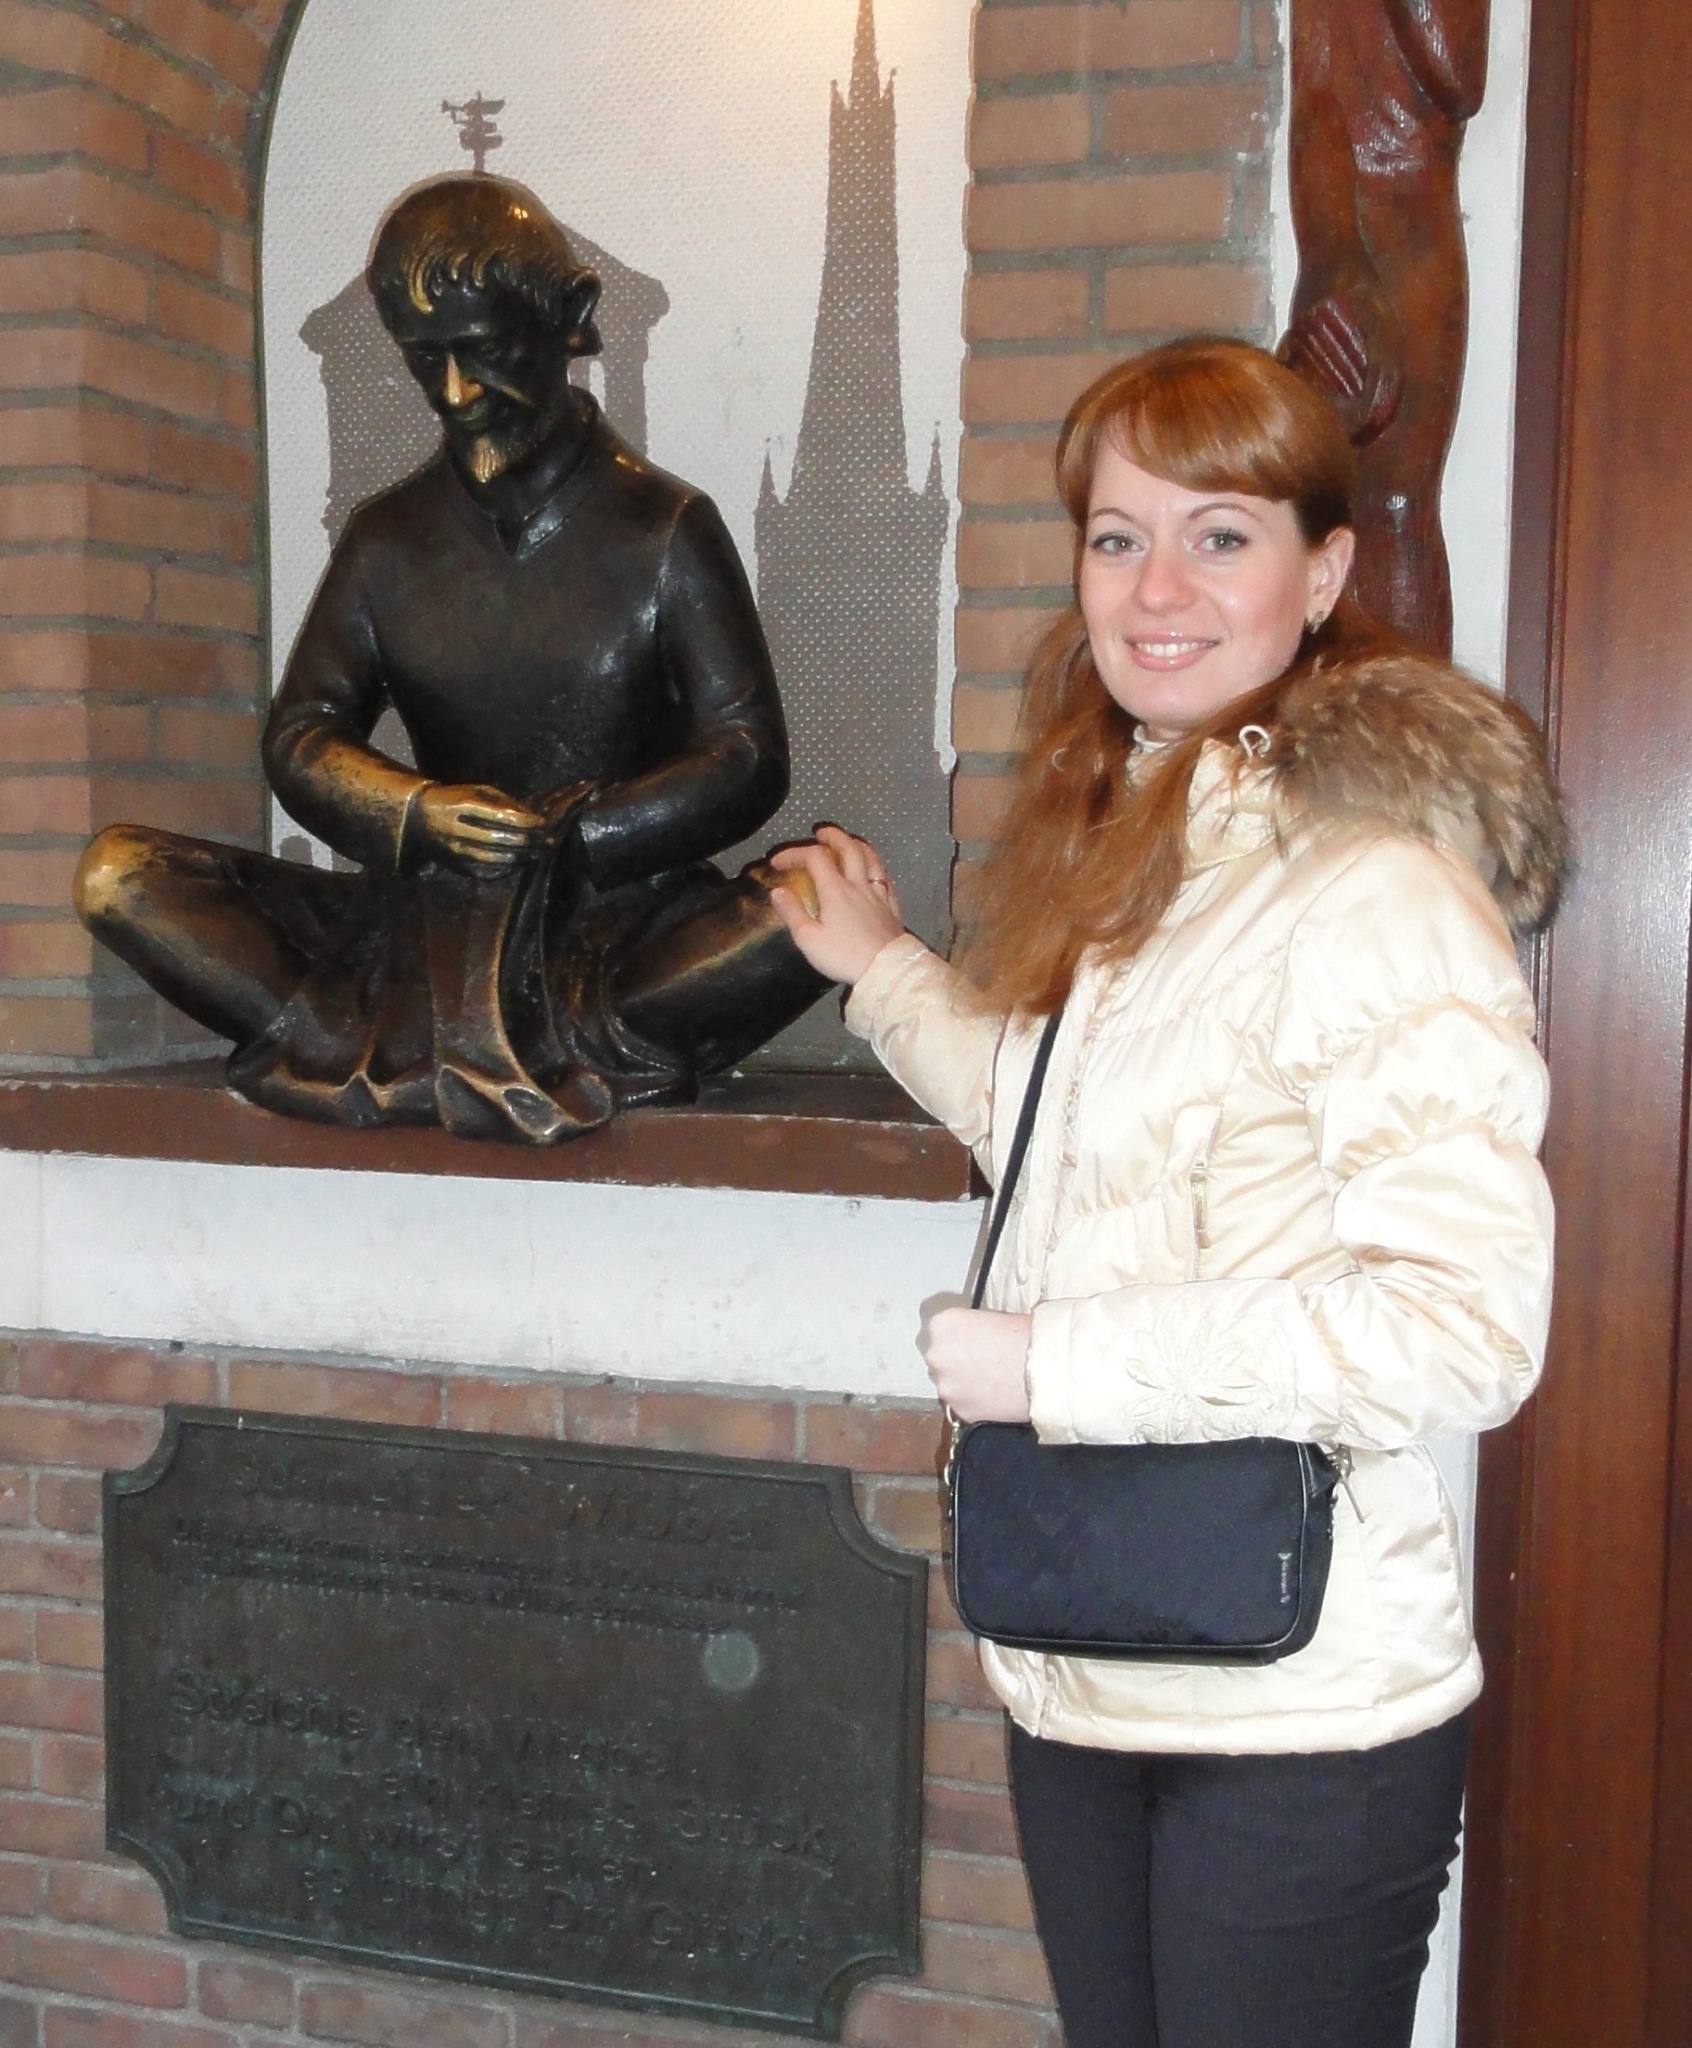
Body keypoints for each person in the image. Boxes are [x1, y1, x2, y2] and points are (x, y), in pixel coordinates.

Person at [770, 338, 1565, 2048]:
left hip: (1297, 1714)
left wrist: (1054, 1365)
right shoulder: (1153, 853)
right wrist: (880, 968)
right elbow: (1067, 1123)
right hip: (1095, 1667)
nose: (1157, 590)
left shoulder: (1371, 887)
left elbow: (1463, 1328)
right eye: (1118, 537)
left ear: (1322, 573)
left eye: (1220, 536)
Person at [75, 177, 828, 1144]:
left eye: (486, 352)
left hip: (614, 929)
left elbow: (747, 755)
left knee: (816, 906)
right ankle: (421, 1040)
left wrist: (580, 839)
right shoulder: (385, 540)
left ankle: (474, 1048)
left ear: (571, 318)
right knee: (121, 875)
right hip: (416, 928)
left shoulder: (667, 528)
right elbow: (302, 734)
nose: (458, 394)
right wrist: (418, 815)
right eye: (426, 360)